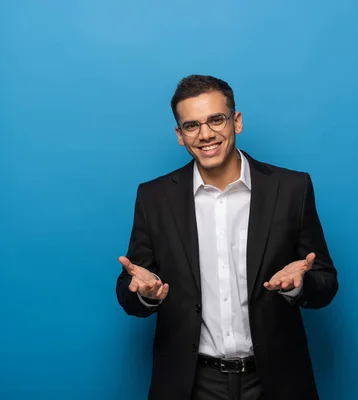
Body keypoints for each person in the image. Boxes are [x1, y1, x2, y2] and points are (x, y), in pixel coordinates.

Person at [115, 75, 338, 400]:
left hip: (277, 382)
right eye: (191, 126)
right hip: (191, 384)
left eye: (216, 120)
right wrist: (146, 293)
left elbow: (326, 282)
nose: (205, 134)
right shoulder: (154, 197)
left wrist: (300, 285)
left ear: (236, 121)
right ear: (180, 135)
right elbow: (130, 287)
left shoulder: (291, 189)